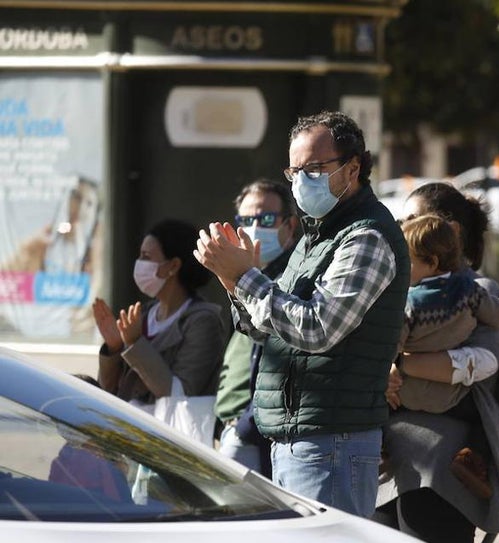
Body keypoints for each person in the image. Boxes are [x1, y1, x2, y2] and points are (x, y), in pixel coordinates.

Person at [194, 110, 408, 518]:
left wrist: (244, 277)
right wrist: (234, 283)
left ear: (353, 168)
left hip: (332, 442)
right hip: (298, 439)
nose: (302, 181)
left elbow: (317, 328)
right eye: (295, 172)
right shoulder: (315, 235)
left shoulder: (367, 236)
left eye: (314, 168)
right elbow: (269, 330)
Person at [377, 182, 499, 543]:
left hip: (443, 471)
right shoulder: (397, 290)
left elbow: (481, 364)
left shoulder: (477, 290)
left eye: (411, 220)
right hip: (384, 465)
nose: (400, 230)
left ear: (448, 233)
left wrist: (399, 365)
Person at [92, 219, 226, 412]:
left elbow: (179, 394)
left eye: (146, 256)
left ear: (172, 266)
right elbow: (108, 390)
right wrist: (114, 349)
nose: (139, 263)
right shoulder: (143, 315)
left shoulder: (203, 321)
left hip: (166, 436)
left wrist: (136, 344)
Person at [213, 179, 300, 476]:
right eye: (246, 220)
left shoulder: (293, 280)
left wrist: (245, 426)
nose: (253, 227)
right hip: (231, 427)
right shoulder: (241, 276)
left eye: (265, 219)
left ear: (289, 227)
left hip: (255, 434)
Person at [396, 213, 499, 414]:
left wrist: (388, 374)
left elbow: (390, 346)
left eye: (406, 261)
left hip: (407, 392)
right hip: (451, 395)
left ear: (432, 262)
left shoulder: (409, 303)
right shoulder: (470, 291)